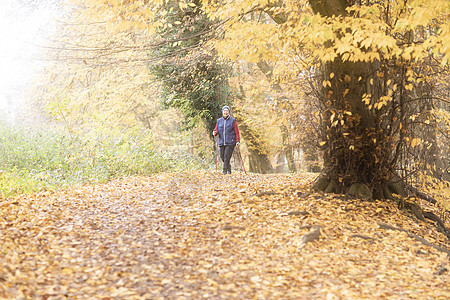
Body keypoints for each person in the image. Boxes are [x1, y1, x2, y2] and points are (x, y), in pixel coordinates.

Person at [213, 106, 240, 174]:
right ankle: (229, 167)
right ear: (222, 112)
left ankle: (224, 170)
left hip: (230, 142)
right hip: (222, 142)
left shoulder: (233, 121)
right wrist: (215, 132)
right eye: (224, 111)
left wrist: (238, 141)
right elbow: (216, 130)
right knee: (222, 157)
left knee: (226, 157)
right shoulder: (219, 121)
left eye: (227, 111)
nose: (225, 112)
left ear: (229, 112)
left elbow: (237, 132)